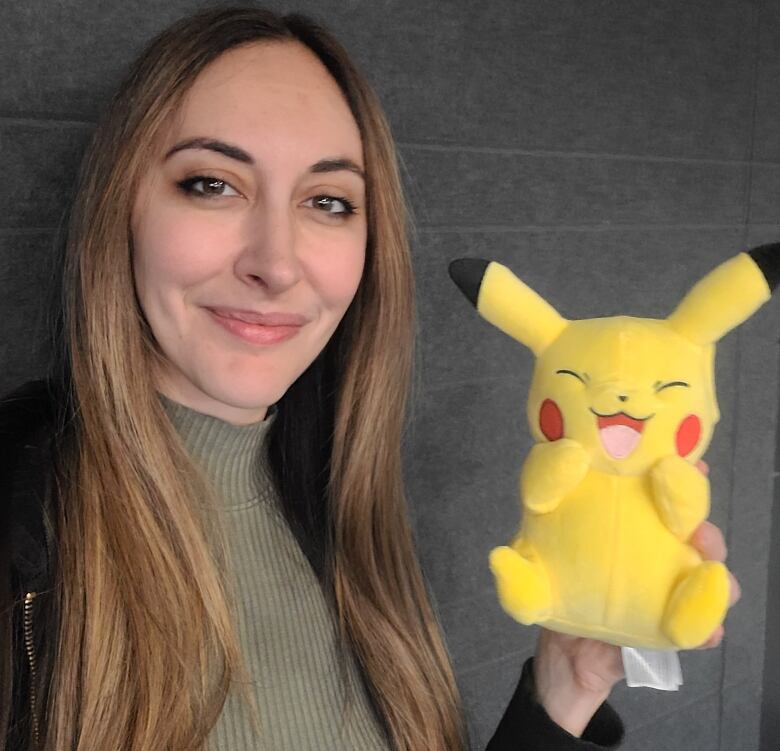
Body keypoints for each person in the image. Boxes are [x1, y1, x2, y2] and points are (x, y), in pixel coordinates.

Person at [0, 5, 739, 750]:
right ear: (119, 207)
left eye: (328, 201)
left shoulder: (343, 508)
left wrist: (570, 679)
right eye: (211, 184)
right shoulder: (21, 532)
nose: (277, 262)